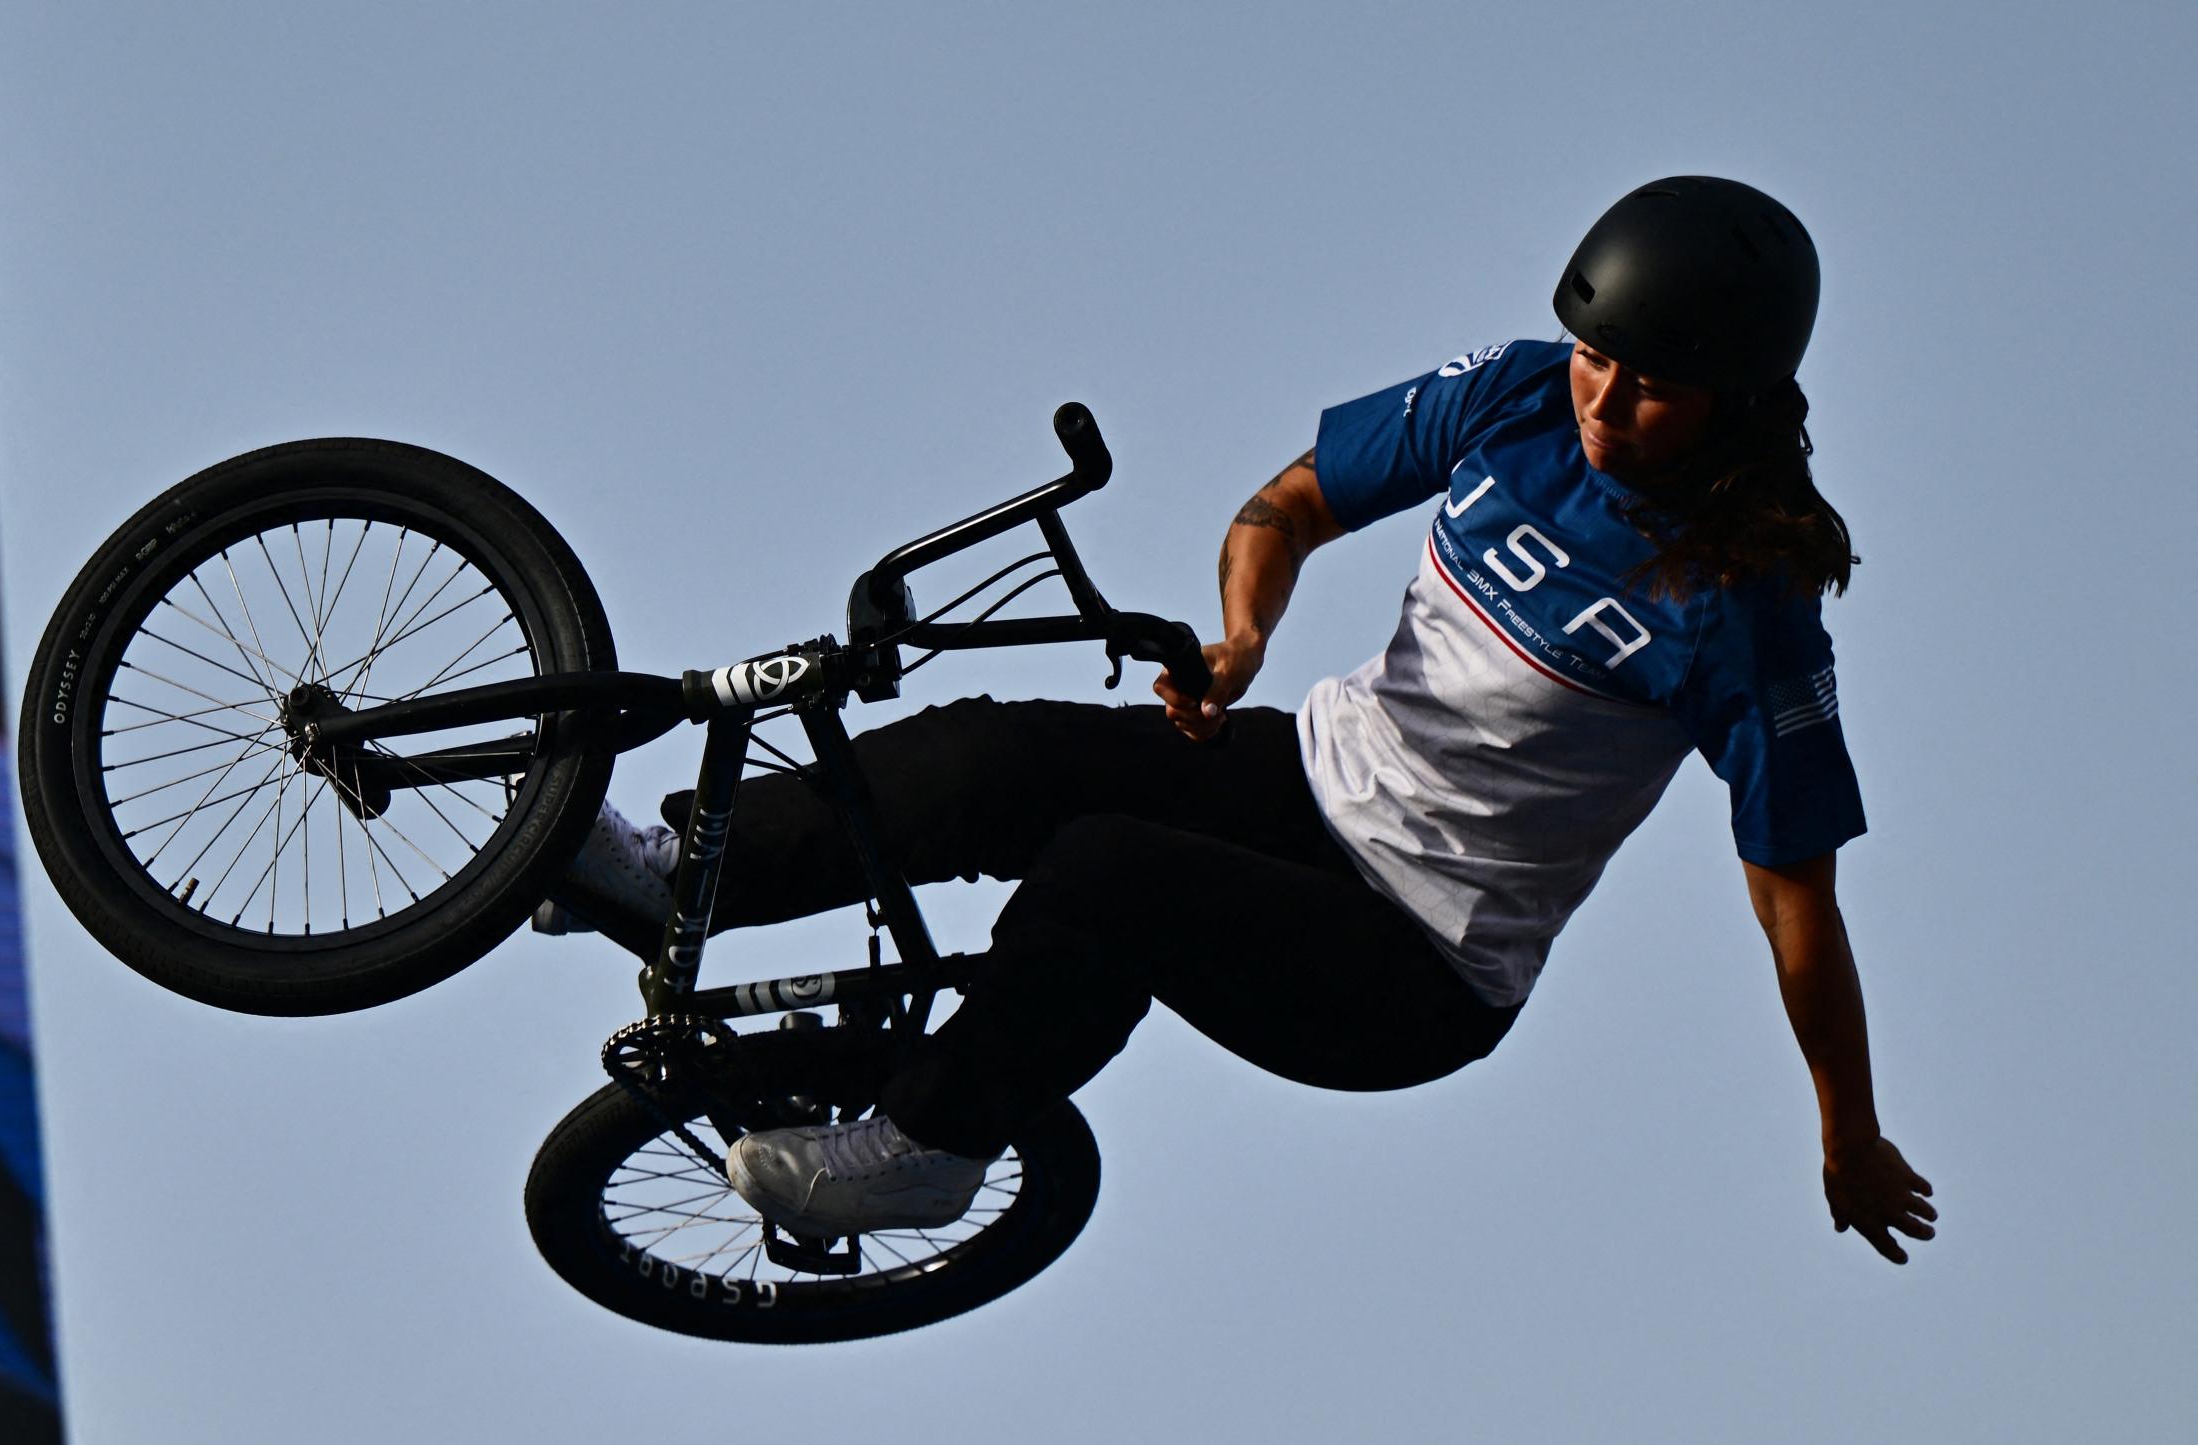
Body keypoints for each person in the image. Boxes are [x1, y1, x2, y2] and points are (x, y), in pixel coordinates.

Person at [543, 176, 1938, 1265]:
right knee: (999, 754)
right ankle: (684, 876)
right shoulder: (1518, 393)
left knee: (1105, 873)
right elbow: (1288, 504)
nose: (1608, 403)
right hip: (1307, 781)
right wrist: (1244, 634)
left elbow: (1797, 907)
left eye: (1653, 389)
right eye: (1597, 360)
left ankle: (930, 1142)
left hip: (1412, 965)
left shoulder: (1744, 608)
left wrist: (1849, 1131)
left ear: (1736, 401)